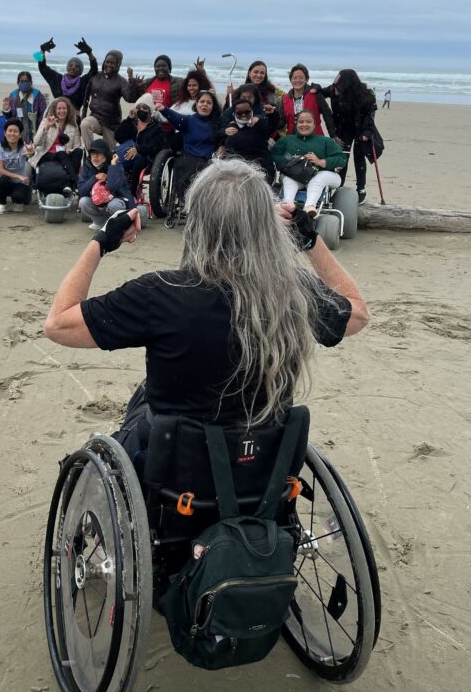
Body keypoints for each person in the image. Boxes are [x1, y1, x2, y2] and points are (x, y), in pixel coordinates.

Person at [44, 158, 369, 531]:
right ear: (267, 226)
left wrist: (101, 241)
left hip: (179, 483)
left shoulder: (160, 294)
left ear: (197, 224)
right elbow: (357, 314)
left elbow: (57, 323)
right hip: (263, 470)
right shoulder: (292, 290)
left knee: (144, 401)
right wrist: (309, 240)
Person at [272, 109, 347, 215]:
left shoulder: (325, 141)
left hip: (323, 174)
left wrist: (320, 161)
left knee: (317, 179)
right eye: (301, 122)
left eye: (308, 122)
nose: (304, 125)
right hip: (296, 174)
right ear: (296, 124)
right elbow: (274, 155)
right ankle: (287, 204)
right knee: (289, 178)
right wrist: (292, 160)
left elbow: (342, 158)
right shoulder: (286, 140)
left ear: (314, 124)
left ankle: (309, 207)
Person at [327, 69, 378, 203]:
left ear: (347, 83)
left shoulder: (365, 95)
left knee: (359, 158)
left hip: (361, 129)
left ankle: (361, 188)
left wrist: (367, 132)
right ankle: (339, 186)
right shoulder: (334, 89)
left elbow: (370, 115)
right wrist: (315, 88)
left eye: (338, 83)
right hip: (344, 129)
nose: (335, 87)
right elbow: (322, 90)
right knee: (343, 156)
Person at [160, 89, 220, 196]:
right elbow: (175, 117)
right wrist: (163, 109)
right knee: (194, 167)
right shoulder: (189, 121)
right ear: (196, 104)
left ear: (213, 106)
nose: (204, 105)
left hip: (210, 160)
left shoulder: (217, 123)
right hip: (190, 158)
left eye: (209, 102)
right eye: (202, 102)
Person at [80, 50, 137, 152]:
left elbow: (129, 98)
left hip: (111, 122)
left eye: (112, 63)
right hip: (95, 118)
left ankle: (107, 165)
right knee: (85, 124)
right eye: (107, 62)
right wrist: (83, 115)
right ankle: (90, 153)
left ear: (118, 65)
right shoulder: (96, 76)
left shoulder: (121, 81)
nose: (109, 65)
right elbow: (86, 97)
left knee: (109, 153)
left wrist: (131, 80)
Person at [77, 138, 136, 230]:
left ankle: (118, 224)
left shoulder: (116, 165)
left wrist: (112, 165)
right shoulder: (87, 166)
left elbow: (113, 186)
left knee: (114, 205)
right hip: (98, 202)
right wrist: (95, 178)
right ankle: (101, 222)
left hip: (117, 199)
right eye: (93, 153)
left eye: (99, 153)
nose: (95, 156)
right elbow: (81, 191)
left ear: (105, 154)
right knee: (83, 201)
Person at [113, 92, 166, 192]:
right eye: (139, 107)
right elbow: (118, 136)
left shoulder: (156, 127)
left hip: (147, 157)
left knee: (138, 161)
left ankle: (132, 191)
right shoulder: (132, 123)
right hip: (129, 152)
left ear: (150, 111)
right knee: (113, 156)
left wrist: (138, 149)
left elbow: (155, 147)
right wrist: (128, 119)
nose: (141, 110)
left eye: (144, 108)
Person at [30, 97, 83, 196]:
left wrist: (70, 150)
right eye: (59, 108)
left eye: (64, 108)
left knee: (79, 152)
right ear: (54, 110)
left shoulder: (73, 125)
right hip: (47, 154)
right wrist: (47, 127)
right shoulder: (46, 121)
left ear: (68, 110)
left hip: (65, 156)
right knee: (60, 153)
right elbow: (37, 142)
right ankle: (74, 181)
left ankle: (68, 184)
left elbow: (77, 145)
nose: (62, 111)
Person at [215, 98, 274, 180]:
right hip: (236, 169)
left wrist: (271, 114)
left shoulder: (259, 123)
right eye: (239, 113)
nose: (243, 115)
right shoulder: (230, 126)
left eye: (247, 112)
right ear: (234, 114)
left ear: (252, 111)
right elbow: (216, 136)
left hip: (259, 167)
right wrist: (224, 133)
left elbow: (272, 125)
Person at [37, 36, 98, 110]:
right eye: (70, 65)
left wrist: (89, 53)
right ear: (67, 67)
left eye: (77, 66)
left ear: (80, 71)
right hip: (58, 116)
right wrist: (42, 51)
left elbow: (94, 70)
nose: (73, 67)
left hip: (74, 118)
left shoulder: (83, 82)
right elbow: (42, 67)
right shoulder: (57, 79)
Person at [279, 64, 335, 137]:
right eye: (294, 78)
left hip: (315, 139)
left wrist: (333, 135)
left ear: (306, 79)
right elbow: (282, 122)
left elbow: (327, 115)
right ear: (290, 80)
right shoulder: (285, 98)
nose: (297, 80)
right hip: (293, 140)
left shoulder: (315, 94)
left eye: (301, 78)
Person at [0, 118, 33, 215]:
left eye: (15, 131)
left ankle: (19, 201)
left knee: (18, 200)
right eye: (10, 131)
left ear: (19, 135)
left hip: (20, 183)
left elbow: (30, 154)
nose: (12, 134)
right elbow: (0, 170)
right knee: (1, 181)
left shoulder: (23, 148)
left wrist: (32, 152)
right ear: (5, 133)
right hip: (6, 180)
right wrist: (18, 176)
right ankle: (2, 204)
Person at [2, 72, 48, 142]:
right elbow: (9, 118)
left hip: (35, 131)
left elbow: (44, 113)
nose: (24, 83)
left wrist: (39, 128)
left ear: (31, 82)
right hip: (17, 132)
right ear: (18, 83)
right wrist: (6, 109)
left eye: (26, 81)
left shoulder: (37, 94)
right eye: (22, 81)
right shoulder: (13, 95)